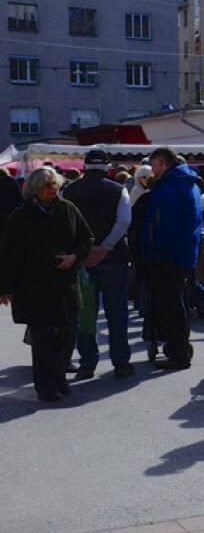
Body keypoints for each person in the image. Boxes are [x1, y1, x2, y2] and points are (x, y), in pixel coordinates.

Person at [0, 167, 93, 402]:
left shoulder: (68, 209)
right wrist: (4, 287)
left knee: (67, 333)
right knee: (42, 339)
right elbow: (9, 255)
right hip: (34, 288)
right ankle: (46, 386)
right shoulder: (20, 217)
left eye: (54, 183)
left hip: (66, 286)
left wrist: (74, 257)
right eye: (46, 185)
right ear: (34, 189)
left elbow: (86, 239)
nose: (52, 188)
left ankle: (59, 377)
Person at [62, 149, 133, 379]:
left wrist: (84, 249)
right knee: (116, 310)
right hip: (114, 258)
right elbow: (124, 221)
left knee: (85, 313)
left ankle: (87, 362)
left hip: (81, 260)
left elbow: (65, 224)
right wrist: (106, 246)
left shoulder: (69, 191)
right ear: (107, 166)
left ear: (85, 166)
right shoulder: (118, 189)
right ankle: (121, 362)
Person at [140, 147, 203, 370]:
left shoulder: (171, 186)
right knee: (177, 302)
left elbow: (164, 226)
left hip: (169, 255)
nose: (151, 169)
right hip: (182, 252)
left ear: (162, 161)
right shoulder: (185, 182)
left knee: (172, 305)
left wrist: (154, 252)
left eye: (153, 163)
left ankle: (178, 353)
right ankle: (179, 350)